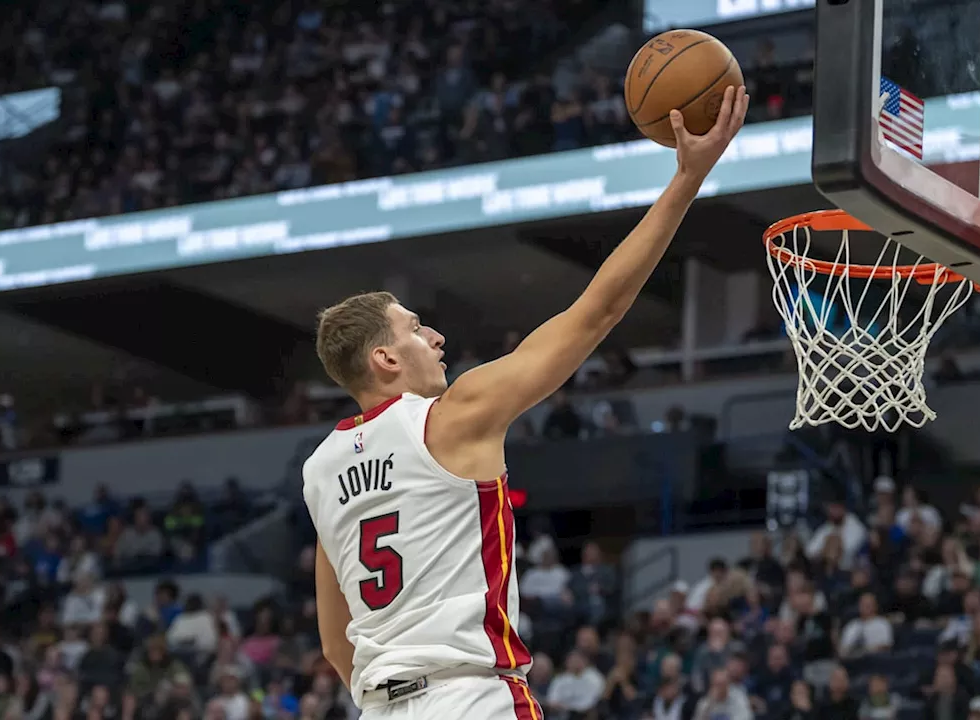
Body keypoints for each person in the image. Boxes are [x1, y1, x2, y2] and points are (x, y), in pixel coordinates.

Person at [301, 86, 749, 720]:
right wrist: (686, 178)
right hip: (472, 695)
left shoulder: (319, 471)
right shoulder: (452, 415)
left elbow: (332, 640)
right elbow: (597, 315)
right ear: (386, 359)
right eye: (415, 328)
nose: (435, 337)